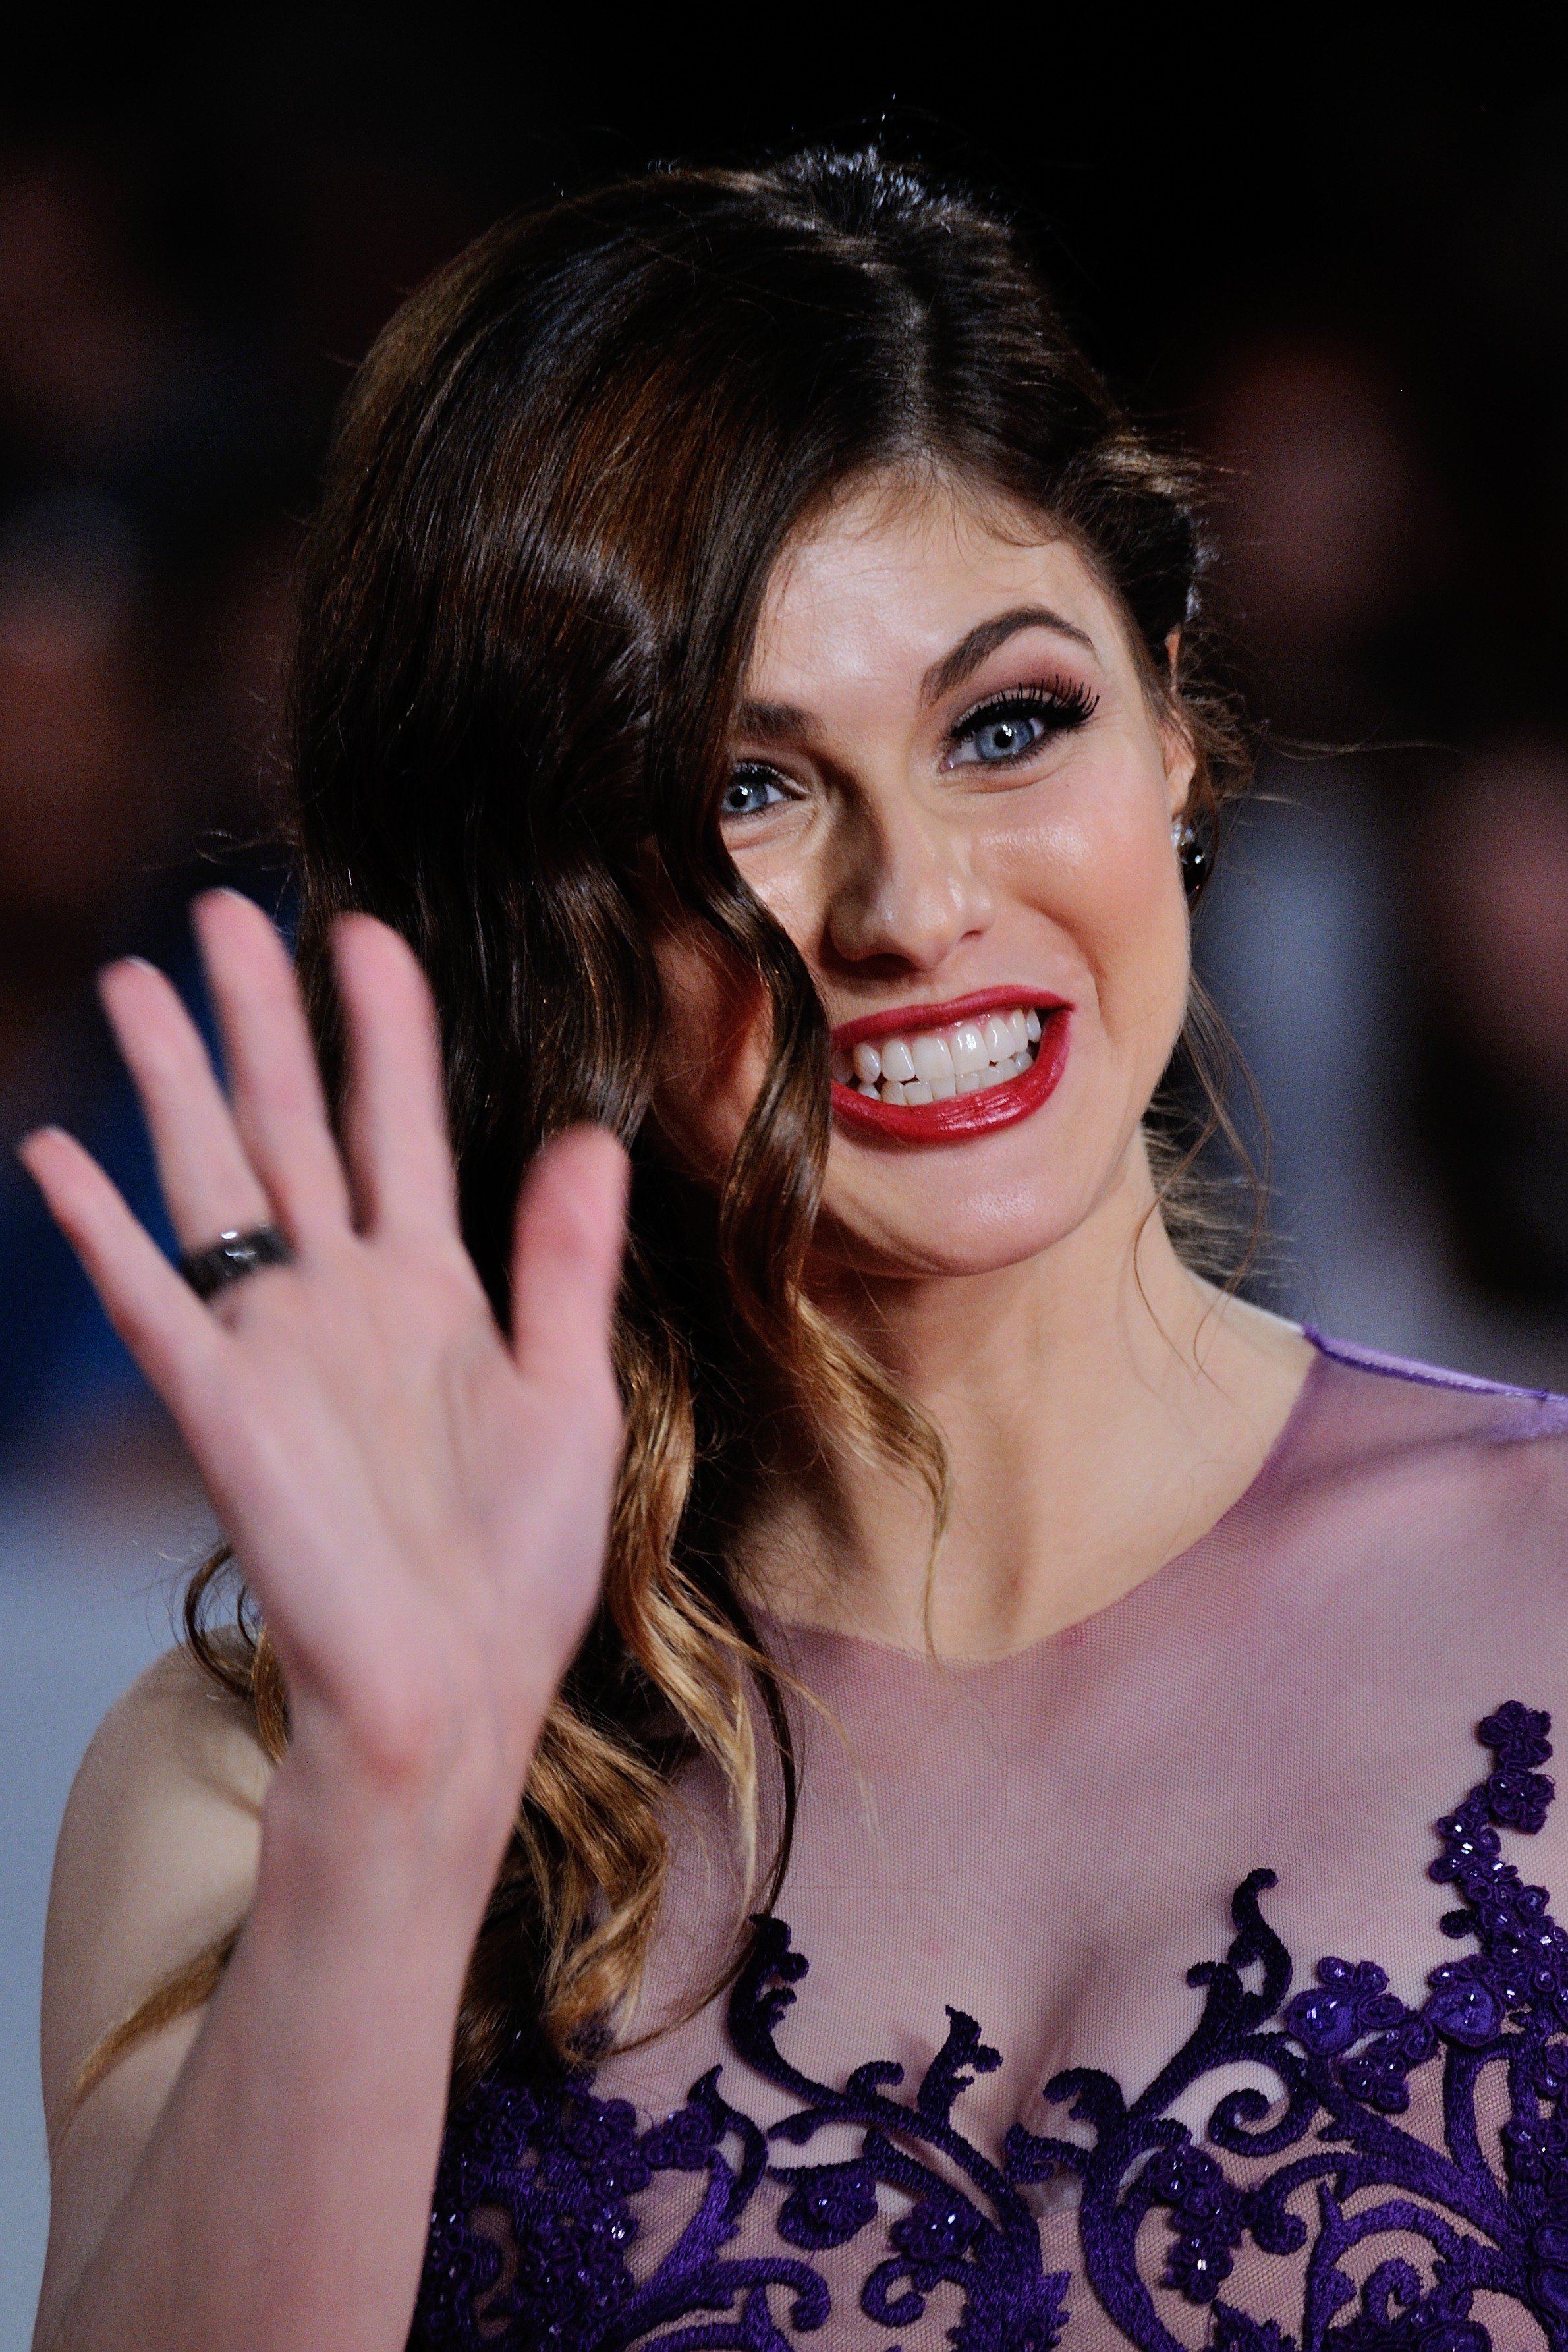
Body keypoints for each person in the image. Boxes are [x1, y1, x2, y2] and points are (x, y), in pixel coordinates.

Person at [22, 150, 1568, 2352]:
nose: (911, 904)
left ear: (1172, 733)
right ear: (526, 923)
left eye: (1006, 724)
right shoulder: (256, 1783)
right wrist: (394, 1815)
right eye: (741, 789)